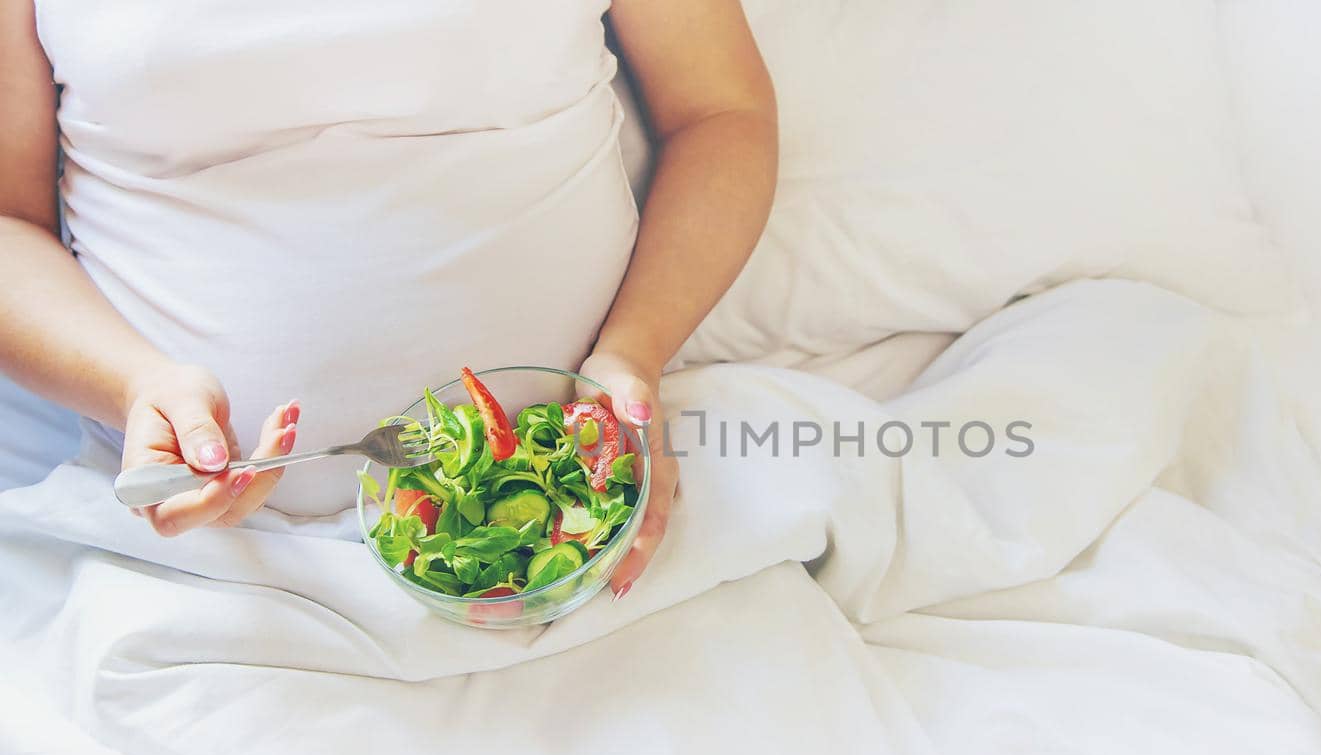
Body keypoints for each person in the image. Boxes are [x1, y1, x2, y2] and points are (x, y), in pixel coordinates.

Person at [0, 0, 778, 599]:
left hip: (586, 542)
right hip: (203, 573)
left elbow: (720, 111)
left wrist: (635, 351)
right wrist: (140, 386)